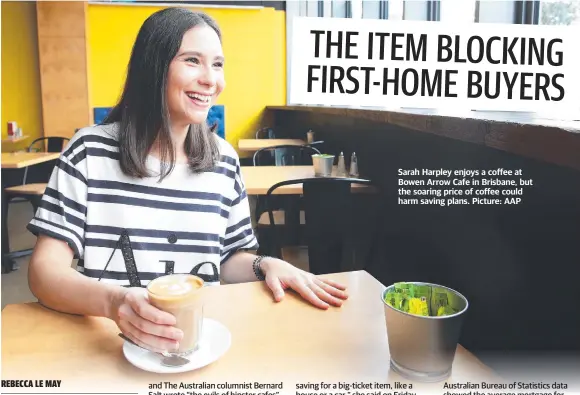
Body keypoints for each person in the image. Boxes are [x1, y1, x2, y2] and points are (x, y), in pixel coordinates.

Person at [27, 7, 348, 355]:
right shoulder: (90, 151)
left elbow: (226, 260)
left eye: (218, 64)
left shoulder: (223, 160)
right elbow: (44, 272)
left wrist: (265, 264)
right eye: (192, 60)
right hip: (107, 346)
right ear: (153, 67)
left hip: (194, 348)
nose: (211, 80)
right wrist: (114, 303)